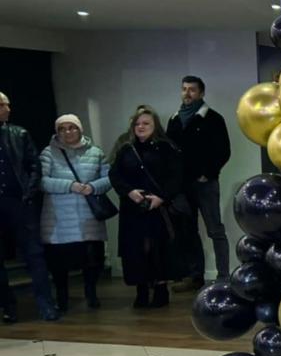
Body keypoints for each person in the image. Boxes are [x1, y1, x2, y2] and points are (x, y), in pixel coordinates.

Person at [109, 106, 185, 308]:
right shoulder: (126, 149)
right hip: (133, 208)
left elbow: (177, 177)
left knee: (158, 250)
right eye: (137, 124)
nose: (141, 127)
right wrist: (129, 192)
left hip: (158, 208)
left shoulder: (167, 148)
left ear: (155, 125)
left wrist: (161, 197)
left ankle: (161, 289)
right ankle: (141, 290)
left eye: (146, 123)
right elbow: (115, 175)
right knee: (135, 250)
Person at [39, 114, 111, 312]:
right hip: (58, 219)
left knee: (92, 261)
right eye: (62, 129)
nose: (68, 132)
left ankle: (91, 293)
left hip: (88, 217)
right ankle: (62, 297)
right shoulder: (48, 152)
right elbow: (41, 181)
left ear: (80, 129)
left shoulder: (95, 152)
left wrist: (93, 187)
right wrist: (70, 186)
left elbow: (109, 178)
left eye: (72, 127)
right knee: (59, 264)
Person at [166, 75, 231, 290]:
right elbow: (169, 151)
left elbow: (223, 151)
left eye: (192, 89)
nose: (187, 93)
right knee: (188, 231)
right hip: (182, 186)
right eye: (184, 89)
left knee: (215, 230)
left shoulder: (213, 118)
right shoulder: (175, 119)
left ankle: (223, 276)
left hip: (205, 184)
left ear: (201, 93)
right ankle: (195, 276)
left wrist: (208, 173)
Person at [0, 92, 60, 321]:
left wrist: (28, 192)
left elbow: (34, 166)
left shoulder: (19, 133)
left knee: (34, 254)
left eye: (7, 104)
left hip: (19, 202)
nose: (7, 109)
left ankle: (46, 304)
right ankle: (8, 306)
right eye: (2, 105)